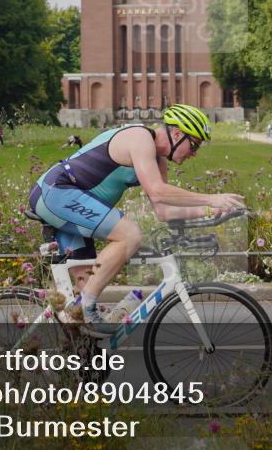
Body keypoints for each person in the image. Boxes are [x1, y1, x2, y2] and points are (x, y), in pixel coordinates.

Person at [27, 104, 245, 335]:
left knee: (84, 317)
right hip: (56, 192)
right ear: (178, 134)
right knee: (129, 235)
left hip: (69, 202)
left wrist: (213, 212)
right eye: (195, 144)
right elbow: (157, 190)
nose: (194, 153)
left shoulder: (158, 160)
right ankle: (84, 308)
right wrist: (212, 198)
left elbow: (164, 211)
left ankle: (80, 362)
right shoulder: (140, 138)